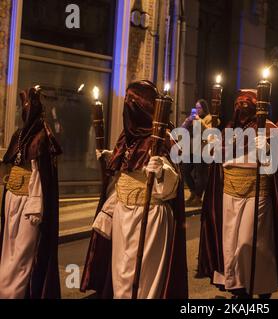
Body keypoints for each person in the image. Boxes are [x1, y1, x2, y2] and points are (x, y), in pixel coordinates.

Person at [198, 89, 278, 299]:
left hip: (258, 191)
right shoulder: (228, 128)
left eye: (246, 104)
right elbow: (214, 158)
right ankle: (237, 286)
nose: (240, 108)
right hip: (230, 191)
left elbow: (277, 168)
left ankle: (260, 286)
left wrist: (267, 150)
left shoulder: (269, 128)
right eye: (238, 103)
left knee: (251, 242)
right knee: (232, 243)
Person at [80, 80, 188, 299]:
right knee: (122, 270)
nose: (127, 107)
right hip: (123, 214)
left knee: (146, 274)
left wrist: (162, 171)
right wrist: (112, 158)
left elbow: (172, 187)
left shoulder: (163, 138)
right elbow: (125, 172)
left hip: (150, 216)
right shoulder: (126, 137)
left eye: (132, 101)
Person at [0, 87, 62, 299]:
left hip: (29, 204)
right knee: (8, 248)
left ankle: (14, 293)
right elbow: (10, 165)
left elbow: (39, 175)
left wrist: (36, 206)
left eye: (27, 105)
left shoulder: (42, 137)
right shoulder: (18, 135)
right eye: (22, 106)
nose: (23, 109)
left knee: (22, 254)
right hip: (12, 198)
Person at [181, 99, 213, 207]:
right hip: (191, 149)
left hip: (202, 150)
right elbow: (182, 129)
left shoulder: (209, 118)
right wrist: (188, 120)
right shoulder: (193, 118)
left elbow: (208, 132)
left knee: (200, 174)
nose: (198, 110)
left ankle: (198, 197)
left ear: (204, 108)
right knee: (185, 170)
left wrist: (199, 120)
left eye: (199, 108)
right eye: (196, 108)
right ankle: (193, 192)